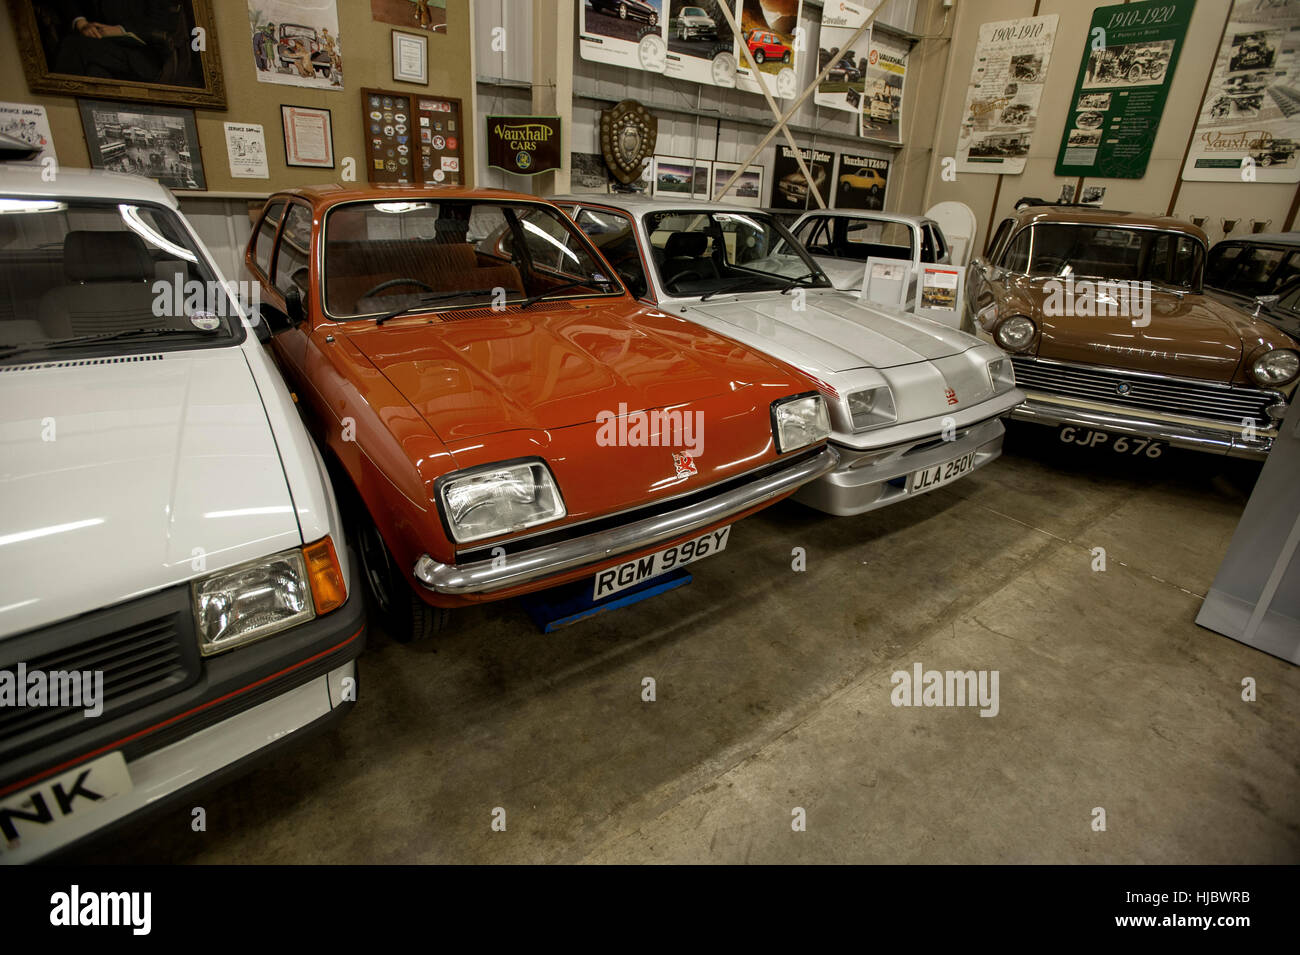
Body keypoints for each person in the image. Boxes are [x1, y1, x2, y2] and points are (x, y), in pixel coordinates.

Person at [50, 0, 173, 82]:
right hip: (95, 41)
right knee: (94, 72)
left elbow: (164, 19)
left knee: (73, 47)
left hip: (140, 51)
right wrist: (81, 22)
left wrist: (121, 30)